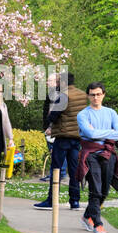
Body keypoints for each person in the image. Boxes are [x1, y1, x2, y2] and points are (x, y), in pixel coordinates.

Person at [74, 82, 118, 233]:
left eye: (98, 94)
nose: (96, 97)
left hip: (108, 153)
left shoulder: (111, 113)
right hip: (90, 154)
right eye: (92, 94)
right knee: (95, 188)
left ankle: (87, 215)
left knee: (104, 191)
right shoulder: (82, 114)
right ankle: (98, 225)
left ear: (103, 95)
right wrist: (108, 133)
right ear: (88, 96)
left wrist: (98, 133)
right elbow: (89, 133)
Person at [34, 72, 86, 211]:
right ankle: (75, 201)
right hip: (77, 137)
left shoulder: (63, 95)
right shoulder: (82, 95)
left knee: (55, 168)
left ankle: (51, 200)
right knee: (74, 170)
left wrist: (49, 123)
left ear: (62, 83)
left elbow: (53, 115)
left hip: (63, 137)